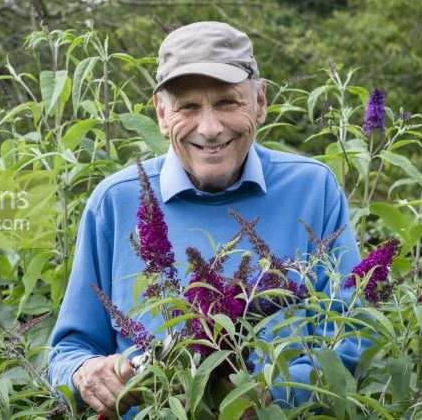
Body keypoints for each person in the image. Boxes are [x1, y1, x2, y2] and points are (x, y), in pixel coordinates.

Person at [48, 21, 368, 417]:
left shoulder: (312, 188)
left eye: (228, 103)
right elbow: (67, 352)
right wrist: (88, 373)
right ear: (162, 114)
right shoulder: (114, 202)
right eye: (188, 107)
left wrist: (273, 398)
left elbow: (353, 333)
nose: (210, 128)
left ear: (260, 102)